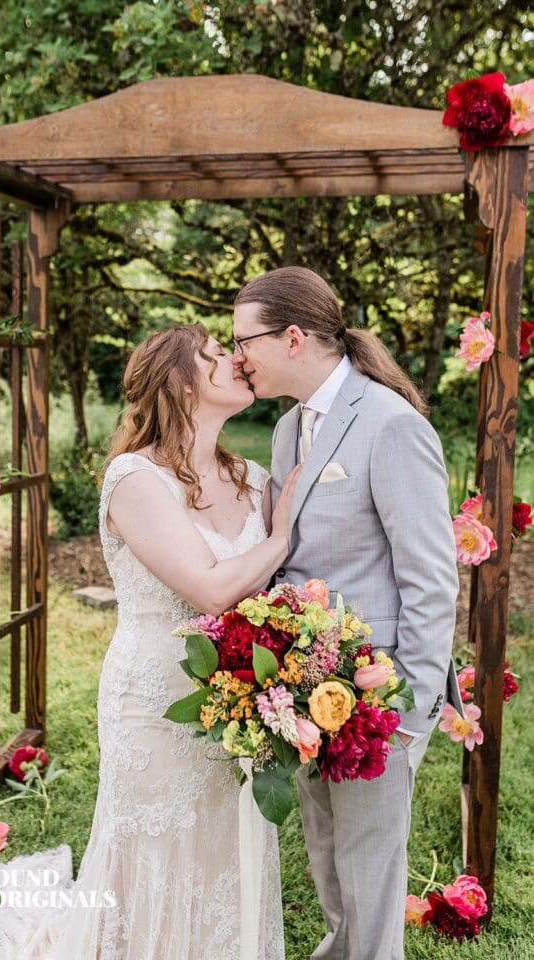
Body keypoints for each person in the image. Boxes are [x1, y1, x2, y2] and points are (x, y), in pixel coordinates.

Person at [0, 322, 300, 960]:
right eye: (215, 355)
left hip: (237, 699)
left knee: (228, 843)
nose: (235, 360)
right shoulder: (134, 479)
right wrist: (280, 538)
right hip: (153, 702)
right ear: (178, 382)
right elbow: (209, 589)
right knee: (154, 847)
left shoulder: (253, 478)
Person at [233, 267, 460, 960]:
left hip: (377, 694)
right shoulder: (284, 430)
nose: (236, 355)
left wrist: (410, 711)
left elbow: (429, 576)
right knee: (328, 856)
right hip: (305, 689)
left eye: (244, 340)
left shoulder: (390, 426)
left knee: (369, 865)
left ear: (293, 337)